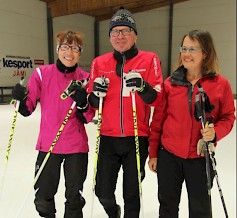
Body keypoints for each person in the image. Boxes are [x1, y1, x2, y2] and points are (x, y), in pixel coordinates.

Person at [148, 29, 236, 218]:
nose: (186, 54)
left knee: (200, 210)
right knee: (167, 208)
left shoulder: (221, 84)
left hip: (200, 158)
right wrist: (153, 153)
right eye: (184, 48)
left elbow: (228, 117)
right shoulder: (170, 83)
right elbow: (158, 121)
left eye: (193, 49)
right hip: (169, 156)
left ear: (205, 53)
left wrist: (215, 133)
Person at [87, 6, 163, 218]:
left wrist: (142, 86)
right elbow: (92, 103)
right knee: (102, 191)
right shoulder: (99, 63)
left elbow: (157, 98)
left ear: (135, 34)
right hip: (108, 138)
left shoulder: (149, 59)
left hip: (136, 138)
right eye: (115, 32)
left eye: (125, 30)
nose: (120, 36)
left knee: (132, 194)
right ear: (110, 36)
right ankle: (113, 212)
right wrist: (95, 93)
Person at [12, 30, 95, 218]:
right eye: (65, 47)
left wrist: (83, 103)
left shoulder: (85, 78)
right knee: (42, 198)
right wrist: (19, 98)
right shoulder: (42, 74)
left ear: (80, 52)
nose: (69, 52)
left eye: (75, 48)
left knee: (74, 199)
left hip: (76, 146)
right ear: (58, 49)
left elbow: (89, 117)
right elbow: (27, 108)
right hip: (49, 144)